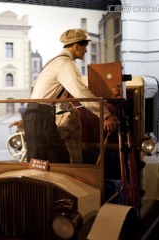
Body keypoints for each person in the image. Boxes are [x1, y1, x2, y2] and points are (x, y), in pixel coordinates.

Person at [10, 28, 119, 163]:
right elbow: (81, 92)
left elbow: (51, 96)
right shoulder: (65, 64)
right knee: (36, 164)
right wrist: (106, 114)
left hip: (43, 115)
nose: (86, 50)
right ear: (76, 46)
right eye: (85, 46)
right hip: (40, 115)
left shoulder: (56, 61)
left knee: (61, 159)